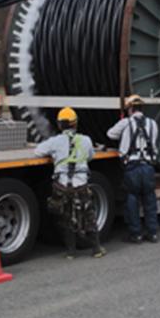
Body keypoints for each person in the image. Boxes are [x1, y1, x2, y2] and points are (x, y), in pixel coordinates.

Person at [34, 106, 106, 259]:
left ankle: (71, 252)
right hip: (81, 185)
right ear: (75, 123)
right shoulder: (86, 140)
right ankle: (97, 249)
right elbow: (90, 156)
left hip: (62, 186)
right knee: (89, 216)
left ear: (60, 125)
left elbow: (38, 151)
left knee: (66, 218)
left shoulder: (55, 142)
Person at [107, 94, 159, 244]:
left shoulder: (125, 123)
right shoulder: (153, 124)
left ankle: (136, 234)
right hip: (148, 167)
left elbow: (110, 134)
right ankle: (153, 233)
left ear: (130, 109)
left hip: (132, 168)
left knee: (132, 199)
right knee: (150, 200)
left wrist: (123, 122)